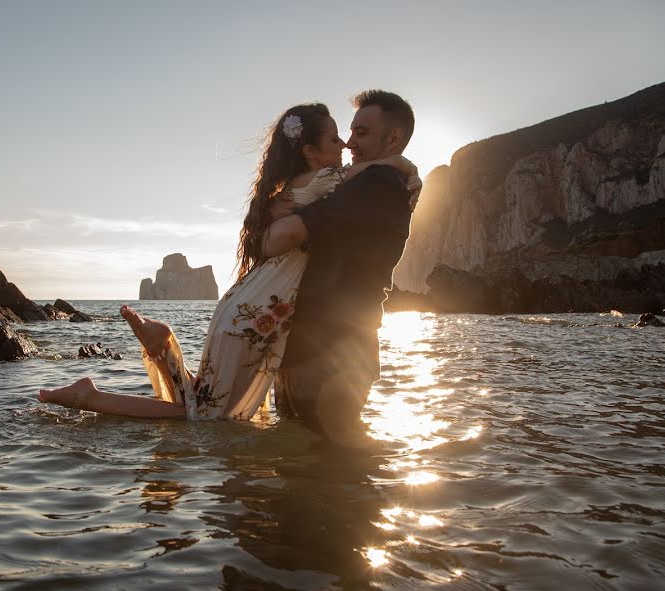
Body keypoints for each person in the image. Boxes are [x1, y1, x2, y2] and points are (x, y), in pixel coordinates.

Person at [38, 101, 418, 421]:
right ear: (309, 151)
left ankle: (161, 350)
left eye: (356, 134)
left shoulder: (290, 191)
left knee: (205, 406)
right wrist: (405, 167)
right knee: (208, 416)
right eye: (336, 137)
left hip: (249, 303)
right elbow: (359, 175)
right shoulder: (333, 180)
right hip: (261, 313)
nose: (346, 144)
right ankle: (93, 396)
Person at [263, 90, 416, 447]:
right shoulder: (373, 179)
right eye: (348, 133)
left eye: (361, 133)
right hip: (315, 350)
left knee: (330, 469)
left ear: (393, 138)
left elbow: (280, 237)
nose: (349, 143)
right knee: (307, 470)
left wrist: (270, 221)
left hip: (333, 354)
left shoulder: (376, 184)